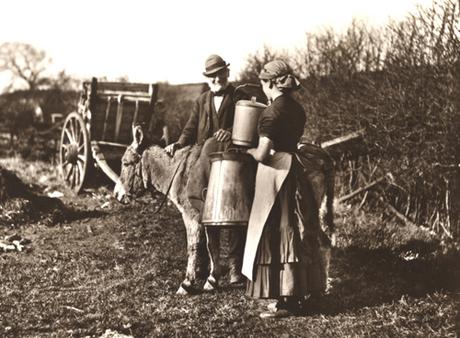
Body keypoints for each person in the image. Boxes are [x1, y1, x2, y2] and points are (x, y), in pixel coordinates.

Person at [242, 60, 328, 318]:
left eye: (262, 83)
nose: (262, 87)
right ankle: (297, 293)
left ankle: (287, 301)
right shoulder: (296, 109)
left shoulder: (271, 113)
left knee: (278, 233)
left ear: (269, 83)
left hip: (276, 173)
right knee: (294, 228)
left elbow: (262, 153)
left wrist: (246, 150)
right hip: (295, 170)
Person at [165, 54, 246, 285]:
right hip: (204, 163)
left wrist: (231, 131)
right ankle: (209, 264)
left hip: (231, 161)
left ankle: (234, 268)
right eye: (211, 76)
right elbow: (191, 127)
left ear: (227, 74)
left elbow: (251, 122)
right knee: (206, 211)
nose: (216, 79)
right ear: (207, 78)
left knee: (232, 213)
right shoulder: (202, 100)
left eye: (220, 74)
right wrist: (179, 143)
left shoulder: (238, 96)